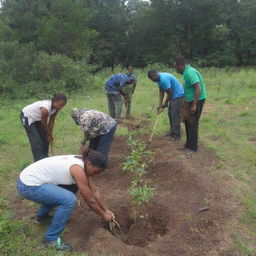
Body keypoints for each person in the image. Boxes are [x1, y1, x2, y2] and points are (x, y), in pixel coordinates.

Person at [17, 148, 114, 251]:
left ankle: (42, 217)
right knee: (69, 200)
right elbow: (89, 199)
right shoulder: (77, 169)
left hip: (34, 180)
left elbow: (94, 191)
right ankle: (50, 239)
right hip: (28, 186)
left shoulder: (84, 162)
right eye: (95, 172)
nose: (95, 175)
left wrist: (106, 210)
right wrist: (103, 215)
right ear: (89, 164)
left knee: (71, 187)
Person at [174, 56, 207, 154]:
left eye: (176, 67)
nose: (175, 69)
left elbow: (198, 88)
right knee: (188, 122)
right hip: (190, 100)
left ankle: (192, 148)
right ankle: (188, 144)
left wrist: (194, 105)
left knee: (193, 123)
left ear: (181, 65)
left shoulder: (190, 72)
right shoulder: (186, 72)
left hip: (196, 101)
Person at [20, 93, 67, 161]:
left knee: (45, 139)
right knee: (36, 141)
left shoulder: (56, 108)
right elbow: (44, 124)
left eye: (63, 105)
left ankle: (45, 159)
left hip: (38, 119)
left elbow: (51, 121)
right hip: (28, 117)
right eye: (60, 105)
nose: (61, 107)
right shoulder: (45, 109)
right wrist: (49, 134)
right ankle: (38, 161)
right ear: (54, 101)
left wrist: (50, 134)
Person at [148, 70, 184, 141]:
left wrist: (165, 103)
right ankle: (173, 131)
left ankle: (177, 135)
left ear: (155, 75)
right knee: (170, 114)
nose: (152, 81)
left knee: (174, 115)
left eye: (152, 79)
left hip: (178, 96)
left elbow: (170, 93)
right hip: (173, 96)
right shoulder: (158, 80)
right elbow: (161, 92)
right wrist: (160, 105)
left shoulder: (163, 79)